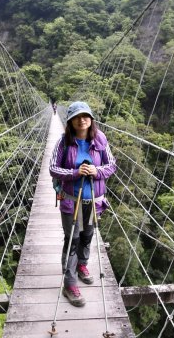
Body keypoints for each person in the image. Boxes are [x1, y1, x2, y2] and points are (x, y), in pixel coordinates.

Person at [49, 101, 116, 307]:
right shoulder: (63, 143)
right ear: (70, 121)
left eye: (86, 115)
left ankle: (82, 265)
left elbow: (112, 165)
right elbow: (53, 169)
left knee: (87, 234)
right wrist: (75, 173)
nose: (82, 119)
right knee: (73, 239)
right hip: (71, 201)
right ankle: (69, 283)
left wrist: (97, 171)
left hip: (94, 202)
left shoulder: (101, 139)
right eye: (77, 117)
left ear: (91, 119)